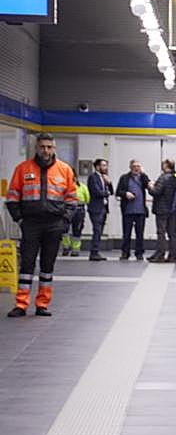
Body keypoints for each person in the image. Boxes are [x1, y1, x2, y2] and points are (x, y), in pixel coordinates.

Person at [5, 133, 79, 317]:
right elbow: (12, 197)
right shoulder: (22, 169)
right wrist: (19, 219)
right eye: (42, 147)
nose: (46, 150)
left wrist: (65, 221)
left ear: (54, 148)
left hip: (54, 224)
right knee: (26, 264)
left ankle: (42, 304)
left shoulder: (65, 170)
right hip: (31, 223)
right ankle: (21, 304)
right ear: (36, 148)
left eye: (49, 147)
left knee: (47, 265)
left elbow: (72, 199)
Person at [147, 158, 176, 263]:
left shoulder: (163, 178)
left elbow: (156, 192)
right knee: (172, 233)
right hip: (174, 210)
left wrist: (150, 186)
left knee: (161, 232)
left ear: (166, 166)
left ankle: (160, 254)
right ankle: (173, 255)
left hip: (162, 210)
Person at [115, 159, 151, 260]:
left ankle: (139, 253)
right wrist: (126, 193)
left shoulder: (143, 178)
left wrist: (143, 174)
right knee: (126, 233)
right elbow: (118, 192)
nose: (136, 168)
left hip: (140, 211)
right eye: (134, 166)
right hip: (128, 210)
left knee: (140, 234)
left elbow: (149, 185)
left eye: (138, 166)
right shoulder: (124, 178)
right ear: (130, 167)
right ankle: (125, 252)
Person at [86, 158, 114, 261]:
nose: (106, 168)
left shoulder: (104, 178)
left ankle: (96, 251)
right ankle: (94, 252)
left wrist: (109, 183)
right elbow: (96, 192)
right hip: (96, 208)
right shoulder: (93, 178)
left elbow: (112, 192)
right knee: (97, 230)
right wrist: (106, 193)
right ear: (97, 167)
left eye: (106, 165)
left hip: (103, 208)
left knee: (100, 231)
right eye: (103, 165)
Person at [62, 178, 88, 257]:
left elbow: (87, 199)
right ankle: (71, 249)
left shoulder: (66, 186)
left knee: (70, 229)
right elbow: (87, 199)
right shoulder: (82, 187)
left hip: (72, 209)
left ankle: (71, 249)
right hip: (74, 209)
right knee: (69, 229)